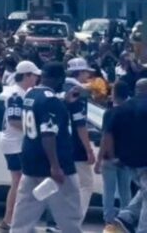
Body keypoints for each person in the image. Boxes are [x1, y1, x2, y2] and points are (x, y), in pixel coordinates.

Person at [9, 62, 83, 233]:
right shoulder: (51, 101)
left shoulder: (31, 94)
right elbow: (48, 134)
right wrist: (55, 166)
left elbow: (42, 108)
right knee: (70, 214)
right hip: (53, 166)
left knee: (23, 216)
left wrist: (64, 101)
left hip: (30, 162)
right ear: (60, 79)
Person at [0, 60, 42, 232]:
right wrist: (36, 131)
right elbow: (14, 120)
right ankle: (10, 219)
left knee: (19, 183)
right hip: (14, 143)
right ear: (26, 76)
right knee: (19, 183)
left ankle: (10, 219)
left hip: (15, 143)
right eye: (34, 76)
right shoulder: (17, 95)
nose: (36, 79)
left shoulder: (21, 93)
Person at [105, 78, 147, 233]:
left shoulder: (122, 108)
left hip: (128, 162)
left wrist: (113, 156)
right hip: (145, 160)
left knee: (144, 190)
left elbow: (108, 134)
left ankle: (126, 217)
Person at [62, 57, 96, 223]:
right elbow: (80, 124)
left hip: (60, 144)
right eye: (86, 72)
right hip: (76, 146)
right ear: (80, 72)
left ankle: (56, 220)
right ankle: (74, 220)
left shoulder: (61, 89)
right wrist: (88, 149)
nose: (87, 76)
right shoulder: (78, 92)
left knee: (65, 186)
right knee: (86, 184)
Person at [98, 80, 133, 227]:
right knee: (126, 191)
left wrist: (101, 158)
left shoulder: (110, 113)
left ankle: (109, 220)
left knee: (109, 190)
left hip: (110, 158)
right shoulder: (131, 112)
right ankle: (126, 219)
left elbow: (106, 136)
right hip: (126, 158)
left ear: (115, 94)